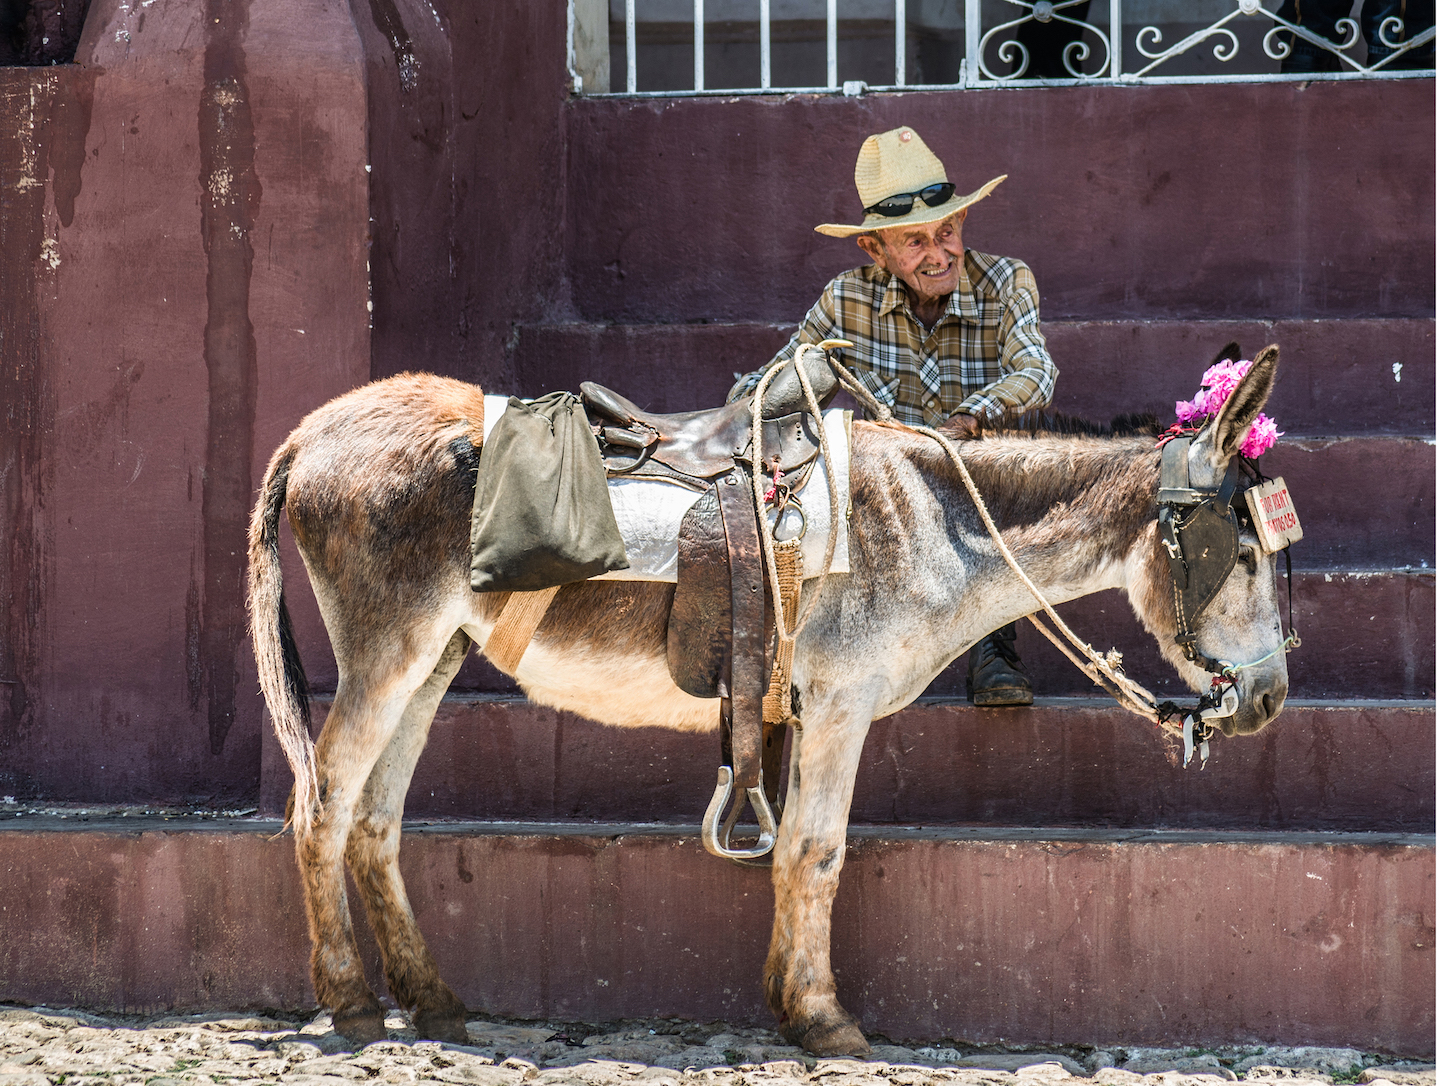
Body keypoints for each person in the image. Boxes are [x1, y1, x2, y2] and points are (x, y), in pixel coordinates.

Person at [728, 125, 1056, 707]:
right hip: (893, 491)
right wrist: (749, 401)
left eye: (947, 231)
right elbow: (778, 378)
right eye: (915, 242)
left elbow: (1036, 373)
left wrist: (966, 422)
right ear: (874, 248)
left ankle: (991, 644)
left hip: (980, 479)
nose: (940, 253)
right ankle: (857, 647)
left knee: (994, 475)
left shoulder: (1008, 280)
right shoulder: (845, 299)